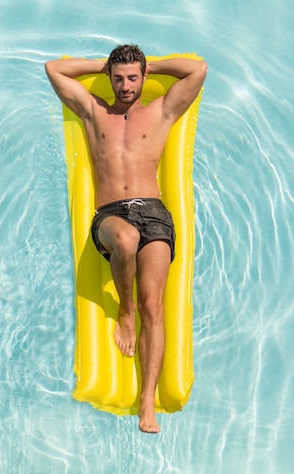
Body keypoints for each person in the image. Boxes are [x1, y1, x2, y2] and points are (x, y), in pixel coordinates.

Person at [45, 44, 207, 433]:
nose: (125, 85)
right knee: (126, 238)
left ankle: (146, 402)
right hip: (111, 215)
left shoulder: (161, 111)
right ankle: (125, 311)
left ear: (144, 76)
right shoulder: (94, 110)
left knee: (156, 304)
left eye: (133, 77)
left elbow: (198, 71)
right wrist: (104, 65)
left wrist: (151, 64)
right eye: (118, 78)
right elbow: (53, 70)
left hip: (155, 213)